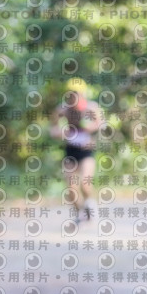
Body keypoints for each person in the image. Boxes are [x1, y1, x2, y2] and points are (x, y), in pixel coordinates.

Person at [50, 78, 102, 223]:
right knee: (71, 188)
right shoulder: (62, 110)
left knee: (85, 184)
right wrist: (60, 133)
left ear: (82, 94)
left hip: (86, 151)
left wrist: (90, 128)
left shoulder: (91, 108)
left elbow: (100, 124)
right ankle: (80, 214)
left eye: (76, 93)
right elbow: (53, 129)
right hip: (71, 150)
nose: (73, 97)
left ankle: (90, 204)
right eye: (70, 94)